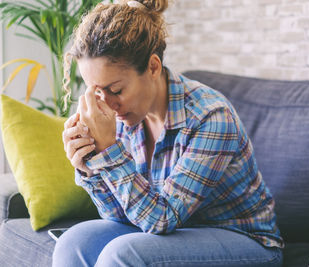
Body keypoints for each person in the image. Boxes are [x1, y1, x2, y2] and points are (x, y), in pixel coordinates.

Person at [56, 0, 284, 266]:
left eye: (116, 90)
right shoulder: (123, 115)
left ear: (153, 67)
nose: (107, 103)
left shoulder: (210, 117)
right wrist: (91, 168)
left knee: (123, 255)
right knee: (75, 242)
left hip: (245, 242)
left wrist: (110, 154)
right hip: (176, 234)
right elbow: (124, 217)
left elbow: (161, 219)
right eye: (97, 91)